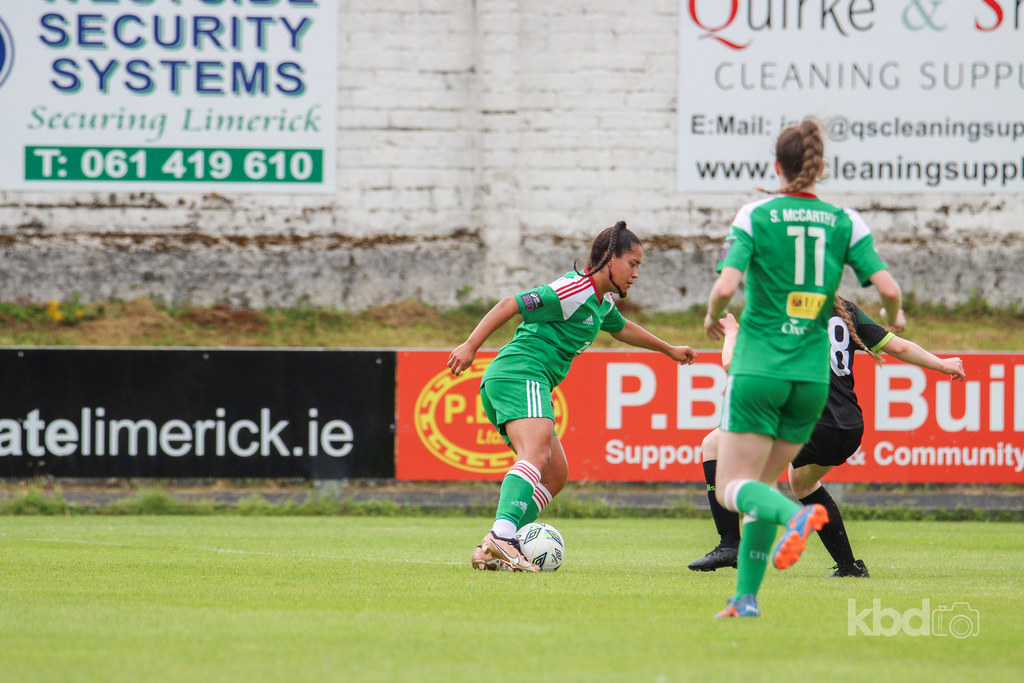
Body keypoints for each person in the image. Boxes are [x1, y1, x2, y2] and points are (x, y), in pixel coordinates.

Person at [703, 117, 904, 618]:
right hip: (812, 380)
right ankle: (745, 598)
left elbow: (726, 287)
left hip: (760, 369)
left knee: (733, 487)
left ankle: (796, 517)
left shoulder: (756, 214)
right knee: (761, 487)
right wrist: (898, 316)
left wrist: (711, 317)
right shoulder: (845, 221)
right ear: (820, 168)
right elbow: (890, 289)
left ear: (777, 166)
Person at [448, 220, 698, 571]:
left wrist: (667, 349)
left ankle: (495, 549)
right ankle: (502, 537)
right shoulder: (573, 290)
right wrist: (470, 345)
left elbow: (622, 328)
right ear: (610, 259)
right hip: (521, 373)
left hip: (522, 380)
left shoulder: (599, 302)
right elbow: (510, 304)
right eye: (634, 263)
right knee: (536, 454)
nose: (636, 273)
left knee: (554, 474)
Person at [689, 297, 965, 576]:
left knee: (714, 444)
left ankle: (731, 544)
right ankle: (849, 566)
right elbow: (900, 346)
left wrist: (733, 331)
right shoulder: (844, 309)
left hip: (808, 421)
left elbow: (732, 364)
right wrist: (941, 364)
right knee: (803, 484)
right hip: (848, 427)